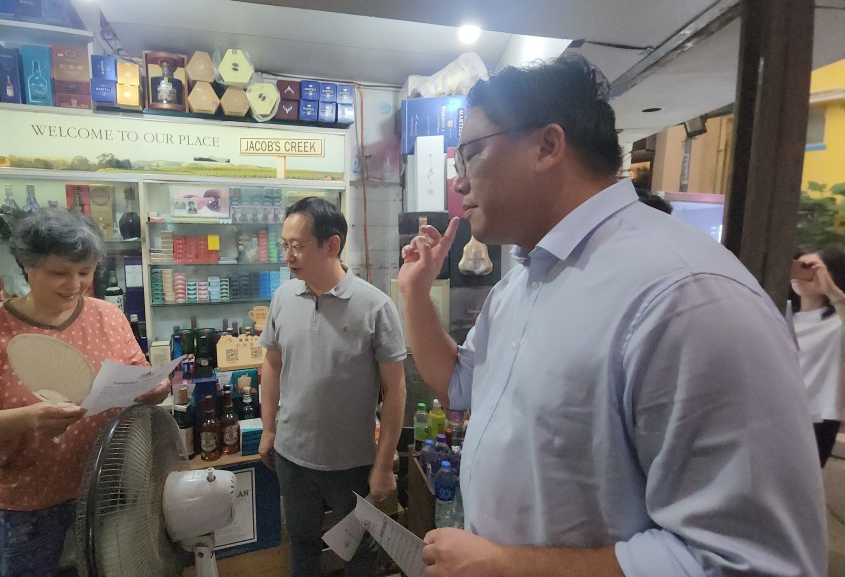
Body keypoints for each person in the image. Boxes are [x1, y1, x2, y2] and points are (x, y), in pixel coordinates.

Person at [397, 55, 826, 576]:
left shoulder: (686, 294)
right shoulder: (521, 284)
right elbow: (461, 386)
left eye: (471, 154)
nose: (459, 181)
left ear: (546, 146)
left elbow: (750, 561)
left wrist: (512, 566)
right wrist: (415, 293)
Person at [0, 209, 170, 577]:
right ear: (26, 265)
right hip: (25, 504)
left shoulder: (108, 316)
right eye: (59, 273)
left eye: (85, 272)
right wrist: (29, 419)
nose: (75, 285)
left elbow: (140, 374)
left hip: (107, 490)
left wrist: (155, 388)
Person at [258, 197, 407, 577]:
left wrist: (384, 465)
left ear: (332, 244)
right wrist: (269, 429)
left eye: (297, 245)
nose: (288, 256)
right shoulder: (283, 297)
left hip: (352, 464)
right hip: (292, 457)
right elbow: (271, 365)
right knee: (302, 544)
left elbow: (395, 390)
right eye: (284, 245)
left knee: (359, 552)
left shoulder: (375, 307)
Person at [791, 247, 845, 467]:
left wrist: (831, 290)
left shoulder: (837, 322)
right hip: (778, 411)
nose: (800, 274)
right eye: (797, 266)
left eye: (809, 268)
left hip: (817, 416)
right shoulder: (781, 314)